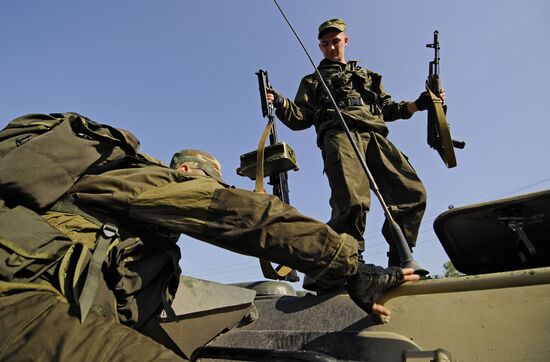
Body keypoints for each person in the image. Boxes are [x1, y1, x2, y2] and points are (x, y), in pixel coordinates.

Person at [0, 120, 419, 361]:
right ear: (186, 172)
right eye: (209, 179)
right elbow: (238, 214)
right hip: (20, 300)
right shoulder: (151, 180)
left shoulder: (147, 240)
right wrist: (348, 266)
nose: (213, 186)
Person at [267, 18, 443, 267]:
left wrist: (420, 103)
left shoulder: (367, 76)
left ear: (345, 41)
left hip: (374, 136)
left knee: (412, 193)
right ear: (320, 47)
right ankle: (348, 265)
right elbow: (300, 119)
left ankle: (400, 258)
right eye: (325, 43)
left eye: (335, 41)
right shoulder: (313, 81)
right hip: (340, 137)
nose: (330, 47)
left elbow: (388, 109)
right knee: (352, 202)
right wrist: (282, 102)